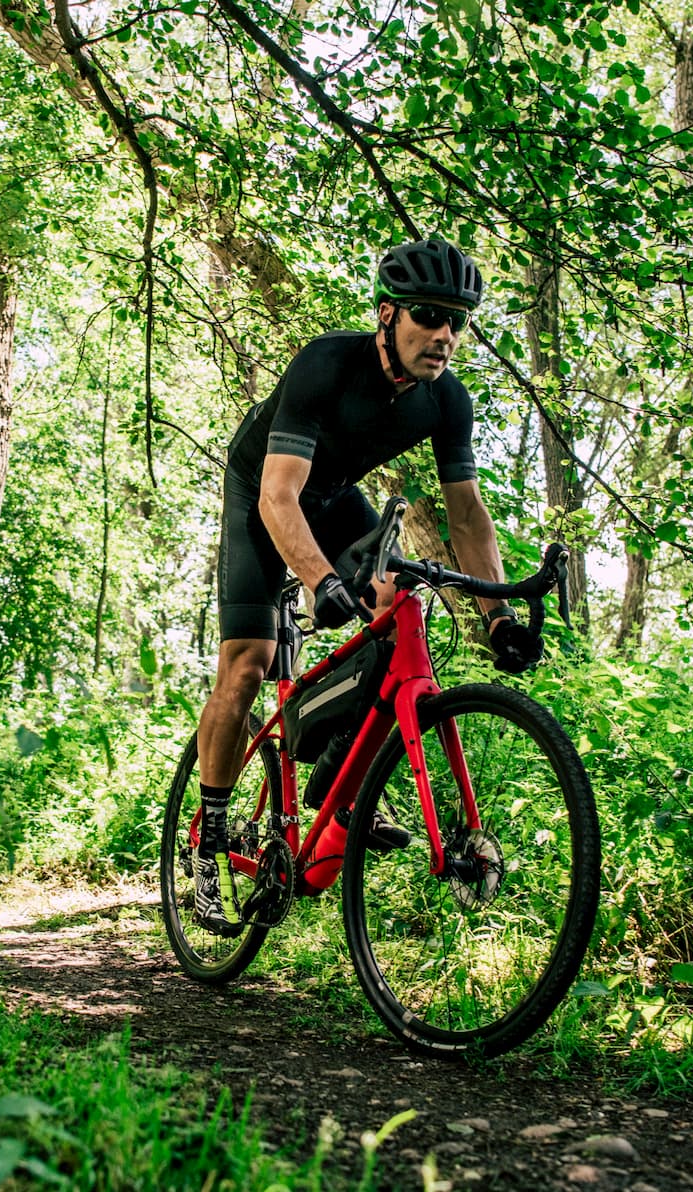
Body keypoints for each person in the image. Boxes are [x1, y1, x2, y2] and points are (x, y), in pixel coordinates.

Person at [192, 237, 544, 936]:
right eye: (426, 315)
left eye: (456, 321)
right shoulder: (326, 365)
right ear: (387, 314)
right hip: (263, 491)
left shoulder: (447, 402)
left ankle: (335, 779)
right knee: (249, 664)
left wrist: (497, 617)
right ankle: (208, 839)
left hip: (334, 497)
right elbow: (278, 498)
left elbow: (468, 517)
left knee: (395, 610)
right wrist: (318, 579)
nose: (443, 334)